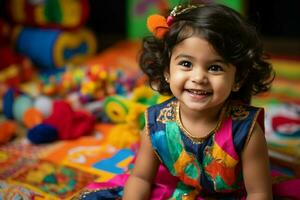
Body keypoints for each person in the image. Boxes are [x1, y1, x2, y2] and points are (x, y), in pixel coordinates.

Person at [123, 1, 276, 199]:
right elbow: (140, 178)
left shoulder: (246, 132)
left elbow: (259, 193)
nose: (198, 78)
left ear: (237, 79)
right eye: (186, 63)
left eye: (214, 68)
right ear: (167, 71)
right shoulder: (156, 124)